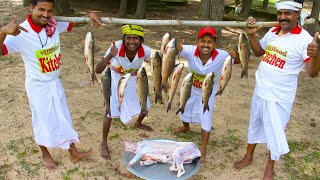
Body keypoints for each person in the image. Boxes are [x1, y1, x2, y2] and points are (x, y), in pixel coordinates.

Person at [0, 0, 103, 170]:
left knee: (63, 117)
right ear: (31, 8)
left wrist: (88, 16)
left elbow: (73, 23)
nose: (46, 15)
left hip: (55, 82)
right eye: (41, 10)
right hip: (37, 86)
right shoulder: (20, 32)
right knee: (42, 120)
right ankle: (45, 154)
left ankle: (74, 153)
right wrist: (3, 31)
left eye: (49, 11)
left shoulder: (53, 25)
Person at [233, 0, 320, 179]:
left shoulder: (304, 39)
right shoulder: (273, 32)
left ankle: (270, 166)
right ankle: (248, 156)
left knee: (275, 131)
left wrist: (316, 54)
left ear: (297, 15)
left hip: (280, 97)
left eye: (288, 13)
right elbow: (259, 52)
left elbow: (312, 73)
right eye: (280, 13)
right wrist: (252, 36)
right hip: (260, 90)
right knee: (255, 124)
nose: (282, 17)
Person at [174, 27, 240, 163]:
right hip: (190, 88)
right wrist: (176, 48)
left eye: (209, 42)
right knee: (183, 108)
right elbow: (173, 51)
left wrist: (236, 56)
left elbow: (237, 61)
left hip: (208, 93)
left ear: (214, 44)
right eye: (202, 41)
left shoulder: (222, 56)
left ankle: (202, 150)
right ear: (197, 41)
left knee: (206, 119)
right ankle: (186, 126)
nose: (205, 44)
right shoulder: (190, 50)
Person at [95, 24, 152, 160]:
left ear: (141, 40)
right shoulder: (116, 47)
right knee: (110, 111)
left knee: (145, 105)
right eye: (128, 38)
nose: (132, 42)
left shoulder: (146, 51)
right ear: (124, 38)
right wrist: (110, 55)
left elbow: (157, 62)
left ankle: (138, 122)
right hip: (116, 78)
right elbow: (98, 69)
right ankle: (104, 142)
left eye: (136, 38)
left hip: (134, 78)